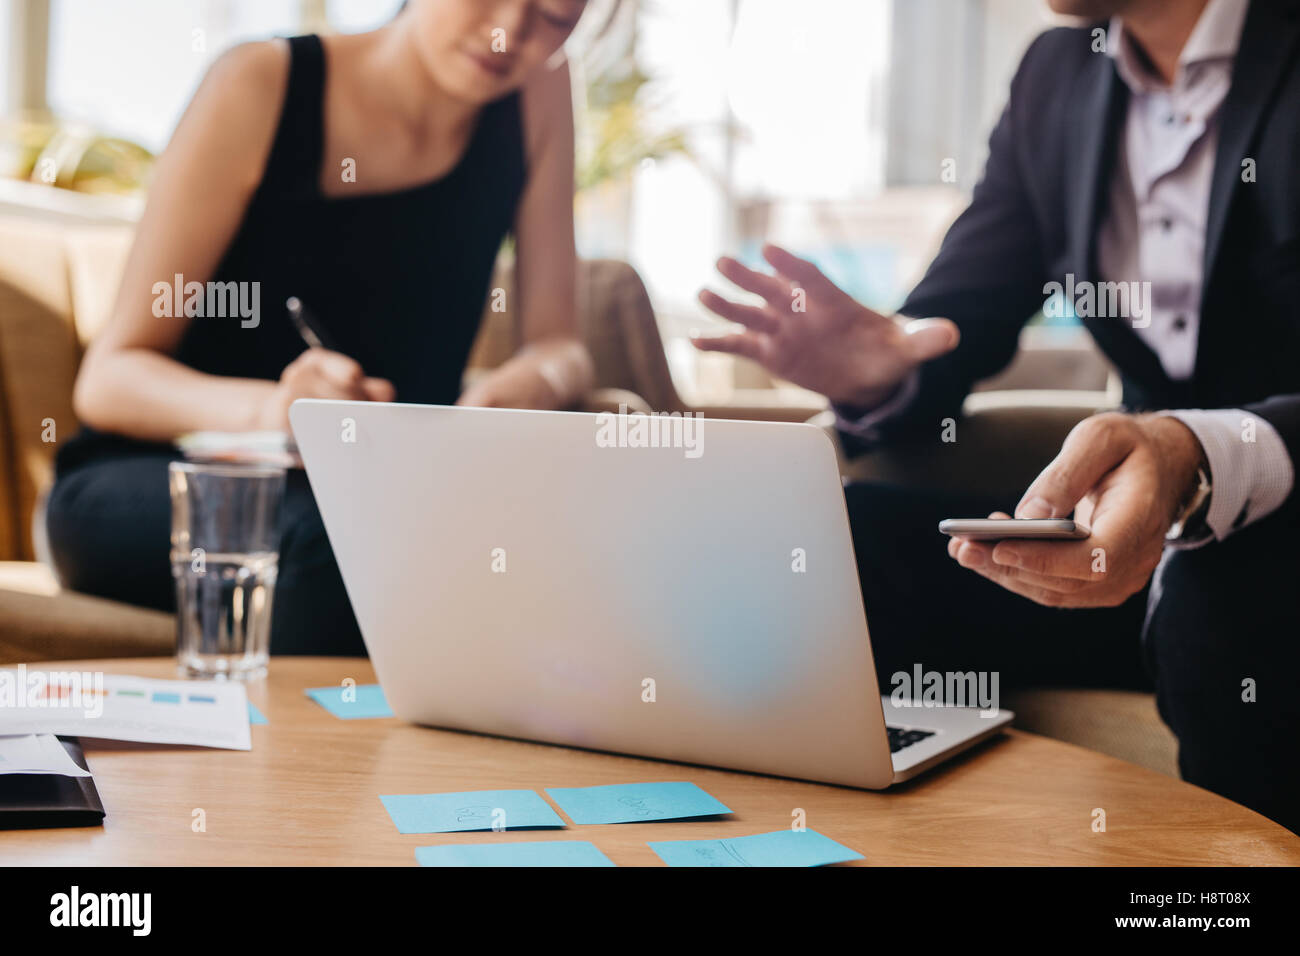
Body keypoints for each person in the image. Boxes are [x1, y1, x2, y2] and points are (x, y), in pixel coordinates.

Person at [697, 0, 1300, 832]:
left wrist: (1196, 452)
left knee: (1216, 591)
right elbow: (955, 323)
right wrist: (877, 370)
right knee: (829, 543)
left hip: (1275, 541)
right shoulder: (1058, 74)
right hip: (1126, 546)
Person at [47, 0, 596, 656]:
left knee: (553, 544)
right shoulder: (259, 83)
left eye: (556, 15)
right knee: (348, 556)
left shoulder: (540, 92)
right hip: (165, 479)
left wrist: (532, 381)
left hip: (383, 499)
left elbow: (561, 343)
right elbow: (109, 379)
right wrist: (278, 410)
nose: (512, 33)